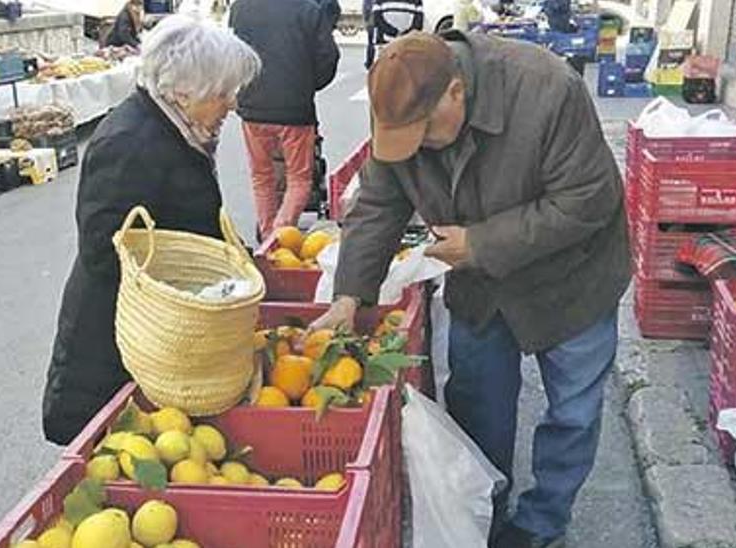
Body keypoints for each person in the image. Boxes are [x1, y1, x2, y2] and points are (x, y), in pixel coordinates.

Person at [313, 31, 630, 547]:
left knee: (573, 412)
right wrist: (350, 295)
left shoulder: (547, 89)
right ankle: (482, 509)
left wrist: (480, 243)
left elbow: (587, 201)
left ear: (456, 92)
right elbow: (377, 205)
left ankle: (542, 521)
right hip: (482, 286)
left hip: (572, 277)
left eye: (424, 133)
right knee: (478, 404)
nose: (415, 147)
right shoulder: (398, 111)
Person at [42, 16, 261, 445]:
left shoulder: (174, 127)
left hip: (164, 343)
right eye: (222, 92)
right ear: (183, 90)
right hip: (123, 346)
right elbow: (104, 251)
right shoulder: (129, 144)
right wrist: (182, 290)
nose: (231, 104)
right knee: (119, 457)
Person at [229, 0, 339, 241]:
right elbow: (327, 58)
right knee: (299, 178)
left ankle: (268, 233)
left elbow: (234, 52)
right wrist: (306, 83)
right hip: (295, 110)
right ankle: (279, 235)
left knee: (262, 175)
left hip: (252, 106)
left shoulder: (241, 7)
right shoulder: (309, 10)